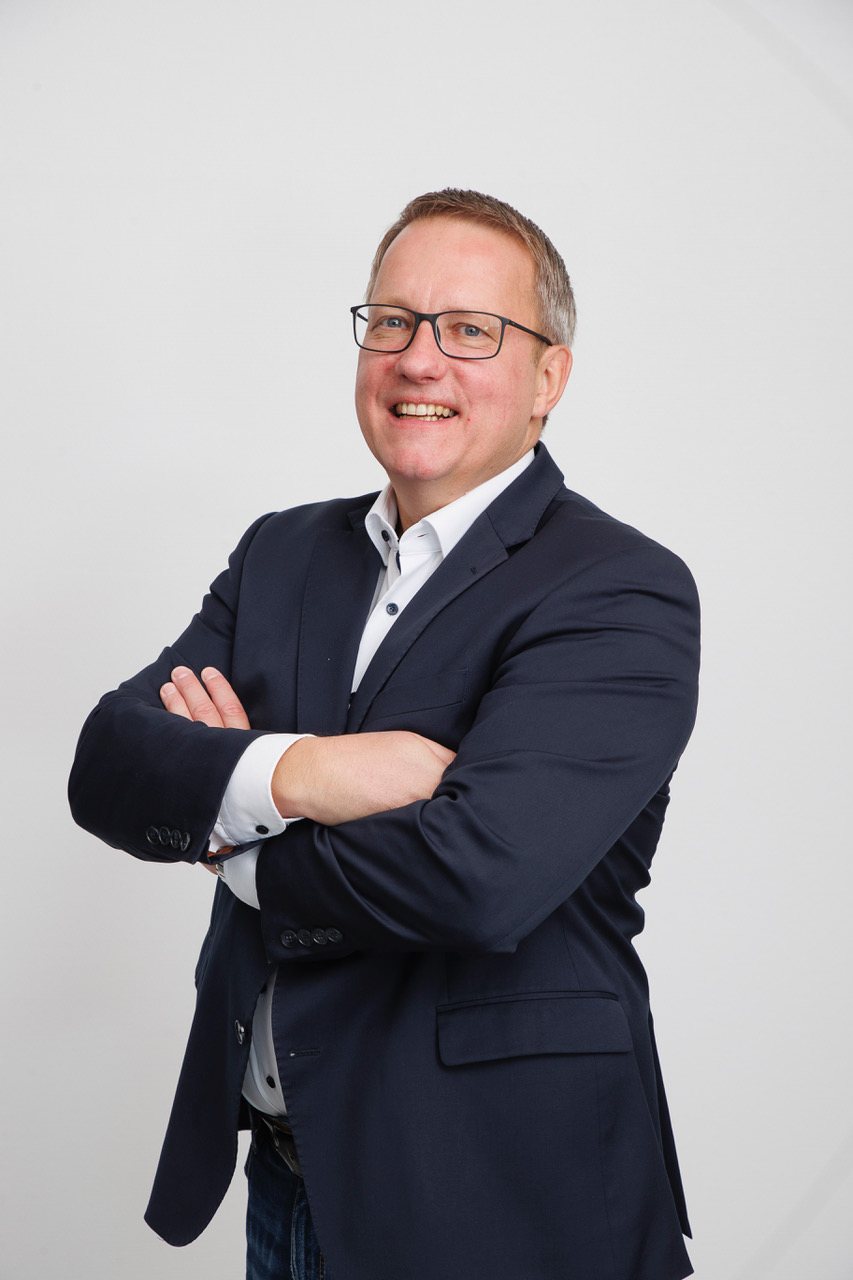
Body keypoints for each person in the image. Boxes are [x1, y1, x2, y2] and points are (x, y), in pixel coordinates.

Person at [69, 188, 699, 1280]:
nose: (419, 359)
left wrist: (234, 834)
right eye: (393, 320)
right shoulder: (281, 554)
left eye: (470, 330)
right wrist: (308, 771)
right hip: (286, 1180)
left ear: (547, 377)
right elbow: (111, 763)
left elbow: (475, 876)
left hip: (499, 1200)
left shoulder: (618, 587)